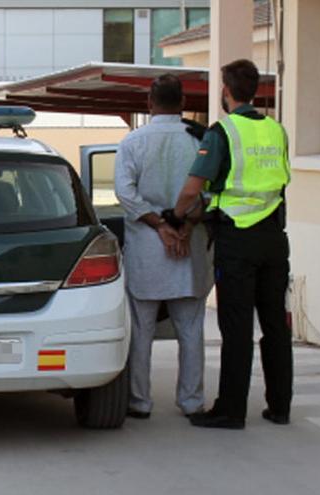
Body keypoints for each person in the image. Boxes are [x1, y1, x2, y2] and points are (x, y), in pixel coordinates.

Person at [166, 59, 292, 429]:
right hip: (273, 238)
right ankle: (279, 406)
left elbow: (192, 189)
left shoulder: (222, 132)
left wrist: (177, 216)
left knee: (237, 327)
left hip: (237, 239)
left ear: (225, 91)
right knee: (275, 325)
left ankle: (231, 410)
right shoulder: (276, 131)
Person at [114, 74, 213, 421]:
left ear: (149, 103)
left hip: (147, 249)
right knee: (191, 329)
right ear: (183, 102)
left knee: (141, 330)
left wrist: (158, 225)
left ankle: (140, 401)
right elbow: (211, 192)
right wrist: (184, 225)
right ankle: (191, 401)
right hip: (190, 248)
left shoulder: (133, 141)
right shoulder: (200, 140)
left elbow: (126, 193)